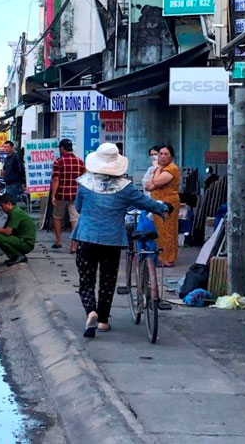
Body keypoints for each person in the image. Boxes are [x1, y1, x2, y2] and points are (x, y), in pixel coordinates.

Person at [72, 143, 169, 337]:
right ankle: (103, 321)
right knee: (108, 280)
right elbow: (145, 203)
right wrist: (163, 208)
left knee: (86, 279)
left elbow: (79, 207)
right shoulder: (126, 187)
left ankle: (91, 311)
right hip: (112, 240)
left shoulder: (84, 183)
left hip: (86, 237)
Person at [144, 144, 180, 267]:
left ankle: (168, 258)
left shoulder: (171, 168)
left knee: (168, 231)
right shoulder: (159, 169)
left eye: (166, 154)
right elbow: (148, 186)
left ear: (171, 156)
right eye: (160, 154)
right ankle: (161, 257)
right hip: (157, 203)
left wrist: (157, 169)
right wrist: (157, 172)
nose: (162, 156)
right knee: (159, 230)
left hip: (168, 203)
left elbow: (157, 181)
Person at [50, 138, 86, 252]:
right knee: (74, 220)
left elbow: (56, 179)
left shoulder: (58, 162)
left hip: (61, 195)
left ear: (62, 148)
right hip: (75, 195)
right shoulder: (80, 161)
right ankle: (73, 246)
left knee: (57, 217)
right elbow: (84, 179)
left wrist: (53, 195)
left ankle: (59, 241)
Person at [0, 193, 36, 266]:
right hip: (23, 241)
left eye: (2, 206)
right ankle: (15, 256)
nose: (2, 209)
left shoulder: (15, 213)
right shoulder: (14, 211)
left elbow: (7, 232)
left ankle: (18, 255)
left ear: (8, 204)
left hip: (26, 243)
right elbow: (6, 229)